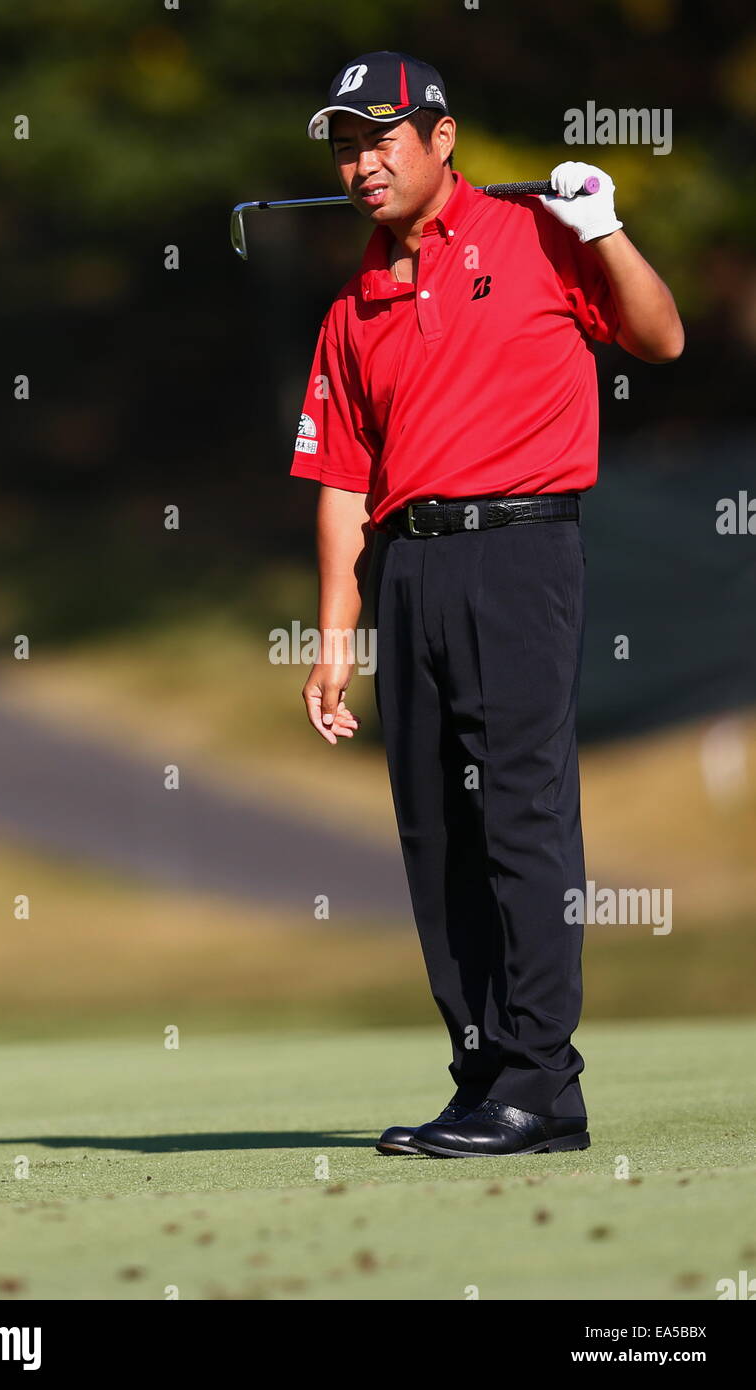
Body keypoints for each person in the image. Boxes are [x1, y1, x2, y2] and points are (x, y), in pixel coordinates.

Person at [289, 51, 684, 1157]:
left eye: (381, 137)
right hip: (410, 572)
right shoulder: (350, 305)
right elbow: (338, 489)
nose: (360, 162)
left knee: (517, 815)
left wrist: (603, 226)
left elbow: (659, 338)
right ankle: (481, 1077)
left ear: (440, 137)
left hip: (518, 556)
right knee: (435, 830)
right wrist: (332, 640)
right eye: (344, 144)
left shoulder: (538, 234)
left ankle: (540, 1088)